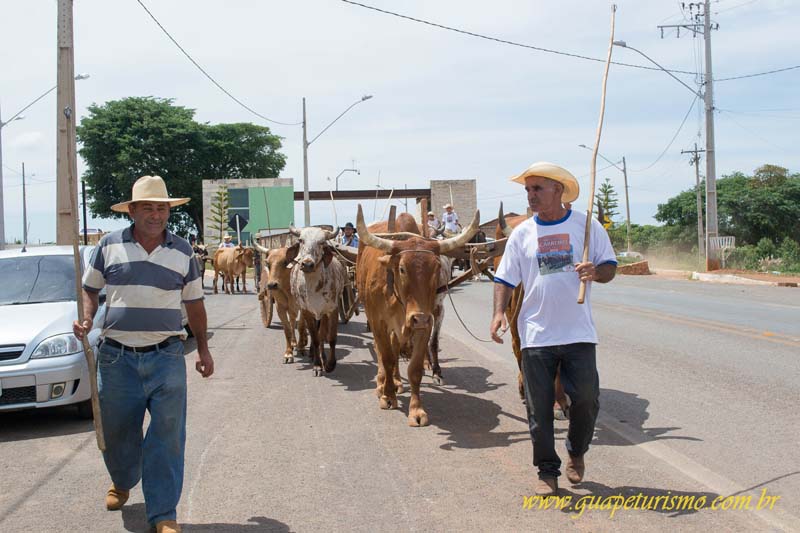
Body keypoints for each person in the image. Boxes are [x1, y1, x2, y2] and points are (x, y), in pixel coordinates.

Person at [73, 175, 214, 533]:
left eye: (162, 208)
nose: (156, 214)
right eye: (148, 207)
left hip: (167, 356)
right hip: (117, 359)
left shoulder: (183, 251)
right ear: (132, 211)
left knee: (168, 436)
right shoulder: (108, 245)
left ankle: (163, 513)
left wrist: (204, 349)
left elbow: (194, 304)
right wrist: (88, 318)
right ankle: (122, 480)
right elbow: (90, 290)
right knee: (118, 433)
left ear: (169, 211)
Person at [489, 162, 616, 497]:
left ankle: (576, 450)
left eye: (537, 189)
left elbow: (610, 267)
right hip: (535, 334)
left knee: (587, 399)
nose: (530, 196)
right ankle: (548, 470)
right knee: (539, 407)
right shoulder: (522, 234)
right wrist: (499, 312)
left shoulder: (586, 227)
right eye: (528, 190)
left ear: (558, 190)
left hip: (578, 333)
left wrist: (594, 271)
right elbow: (503, 278)